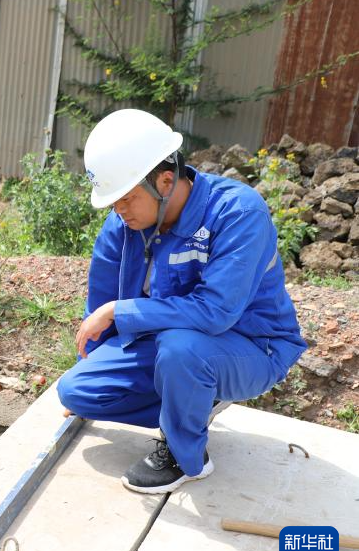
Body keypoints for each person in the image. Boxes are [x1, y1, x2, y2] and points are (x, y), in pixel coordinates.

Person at [57, 109, 307, 494]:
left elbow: (216, 312)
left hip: (253, 346)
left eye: (126, 198)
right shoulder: (124, 225)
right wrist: (89, 368)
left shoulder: (237, 213)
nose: (119, 210)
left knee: (182, 349)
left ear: (165, 180)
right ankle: (194, 401)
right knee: (77, 391)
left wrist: (122, 311)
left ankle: (185, 456)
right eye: (112, 202)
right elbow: (100, 307)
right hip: (173, 342)